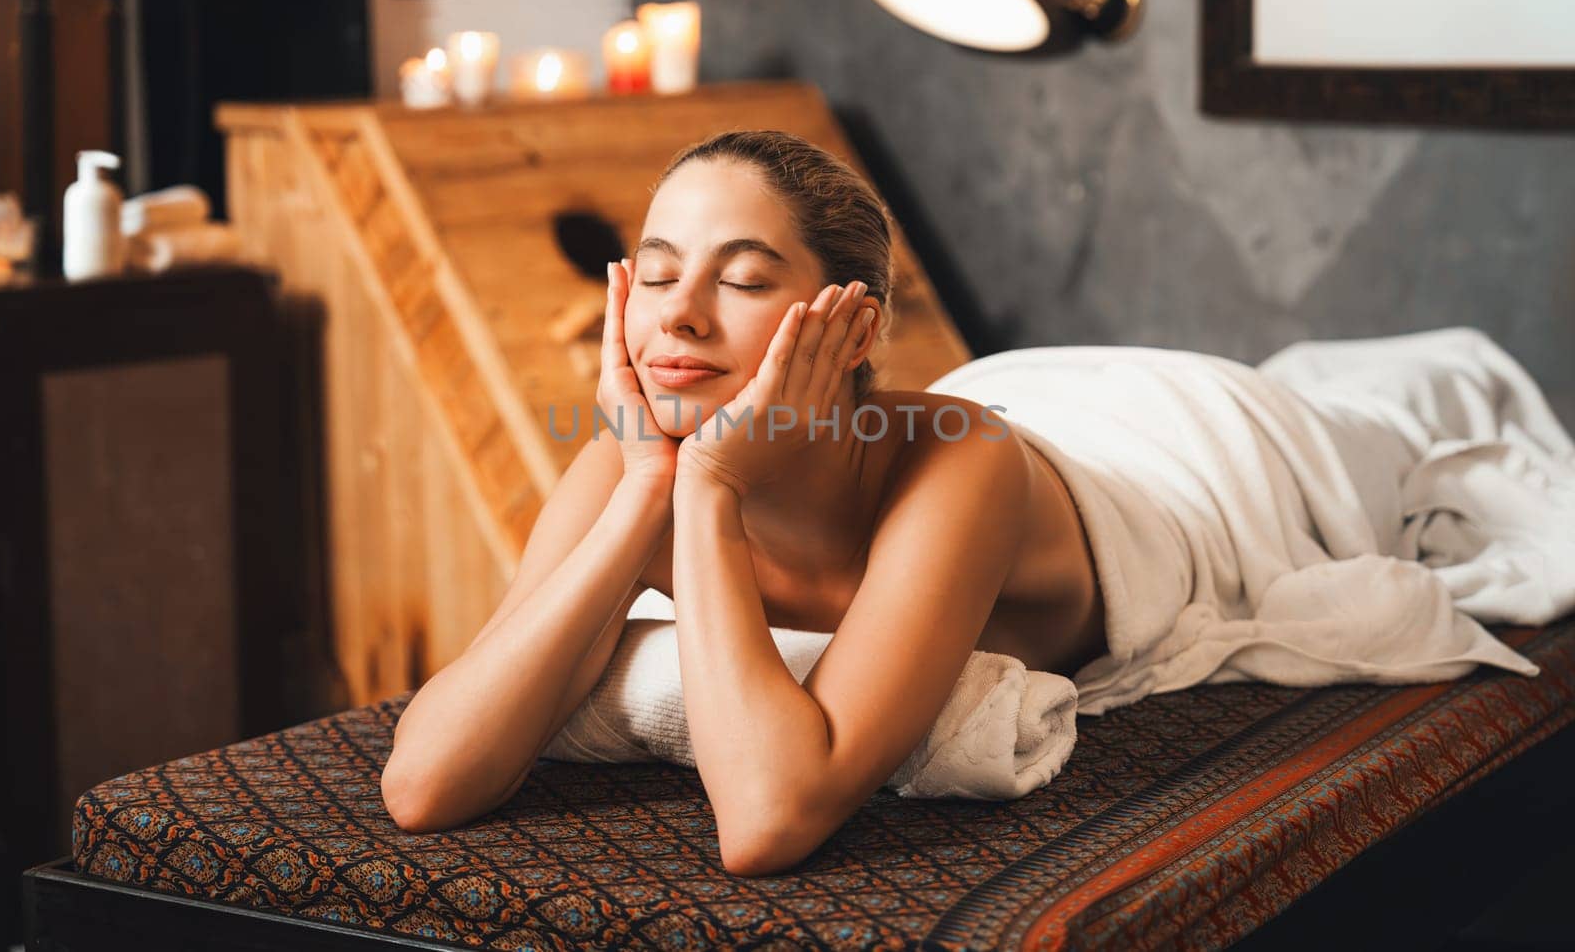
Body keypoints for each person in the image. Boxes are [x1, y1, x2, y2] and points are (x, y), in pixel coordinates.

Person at [380, 129, 1108, 875]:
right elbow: (422, 786)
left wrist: (711, 484)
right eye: (658, 275)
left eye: (745, 281)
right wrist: (646, 490)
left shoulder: (961, 459)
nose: (680, 315)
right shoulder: (628, 462)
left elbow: (767, 820)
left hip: (1143, 445)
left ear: (853, 327)